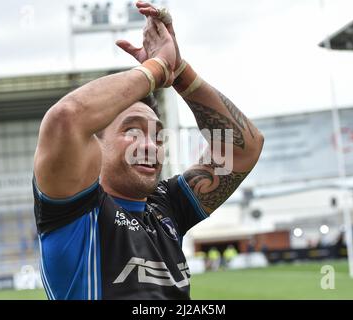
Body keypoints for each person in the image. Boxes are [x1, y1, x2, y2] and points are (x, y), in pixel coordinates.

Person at [33, 1, 264, 300]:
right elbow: (66, 119)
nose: (149, 146)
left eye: (157, 137)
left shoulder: (166, 207)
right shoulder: (77, 215)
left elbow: (245, 148)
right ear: (93, 146)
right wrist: (155, 68)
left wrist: (180, 71)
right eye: (131, 131)